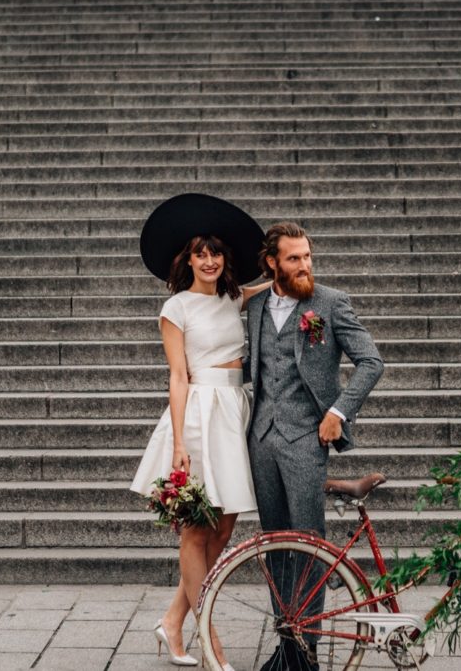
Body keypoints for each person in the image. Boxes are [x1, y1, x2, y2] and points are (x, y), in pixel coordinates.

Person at [129, 194, 270, 669]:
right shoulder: (177, 308)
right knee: (194, 530)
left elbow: (273, 283)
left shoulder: (234, 296)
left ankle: (172, 621)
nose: (209, 261)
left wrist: (294, 268)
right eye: (200, 253)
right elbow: (177, 375)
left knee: (224, 526)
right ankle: (208, 638)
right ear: (186, 259)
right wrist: (180, 443)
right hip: (197, 413)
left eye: (216, 253)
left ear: (225, 258)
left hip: (234, 410)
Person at [246, 222, 384, 670]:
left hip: (307, 437)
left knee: (308, 543)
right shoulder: (257, 306)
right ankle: (287, 644)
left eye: (307, 256)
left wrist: (338, 412)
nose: (304, 265)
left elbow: (371, 361)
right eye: (293, 258)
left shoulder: (329, 301)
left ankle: (306, 653)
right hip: (262, 439)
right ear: (272, 263)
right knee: (275, 544)